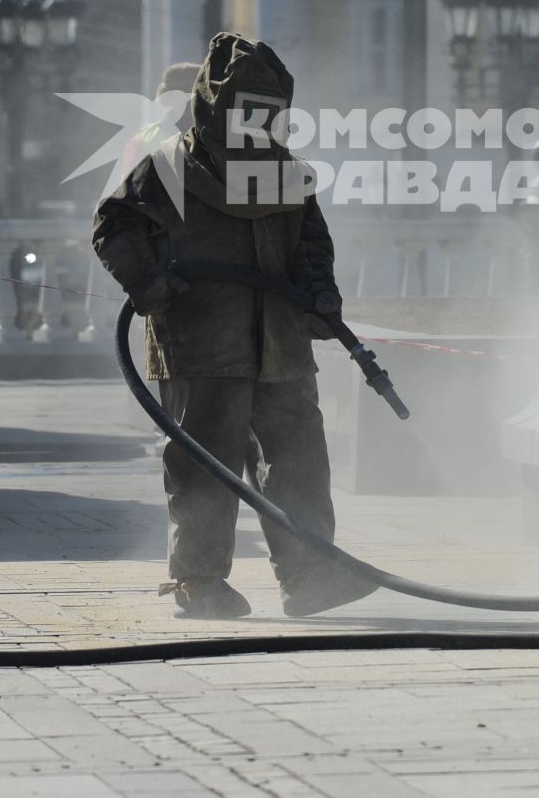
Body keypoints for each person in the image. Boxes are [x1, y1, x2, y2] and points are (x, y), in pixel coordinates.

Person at [92, 33, 377, 620]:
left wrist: (320, 294)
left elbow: (311, 243)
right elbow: (113, 225)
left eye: (267, 114)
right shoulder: (167, 167)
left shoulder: (286, 174)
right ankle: (198, 581)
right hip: (200, 342)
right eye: (246, 112)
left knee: (299, 459)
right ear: (215, 110)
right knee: (204, 462)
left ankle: (310, 575)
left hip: (279, 343)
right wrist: (147, 284)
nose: (257, 126)